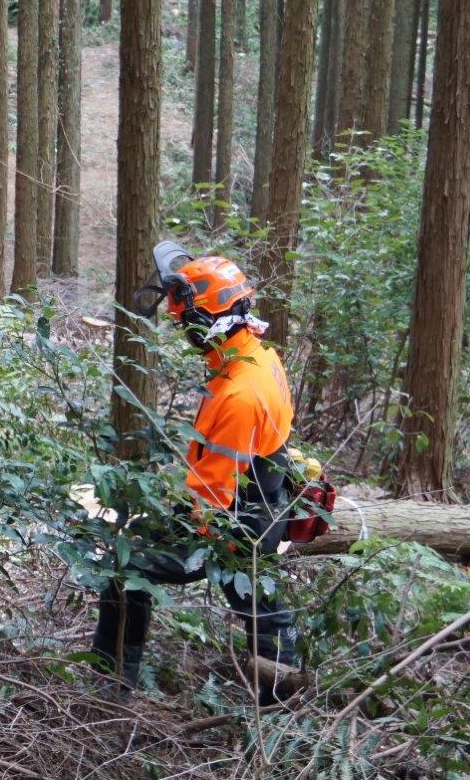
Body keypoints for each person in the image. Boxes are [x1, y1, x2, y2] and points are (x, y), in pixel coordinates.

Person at [94, 245, 300, 698]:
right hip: (265, 503)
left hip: (234, 523)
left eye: (185, 319)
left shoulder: (239, 394)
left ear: (208, 318)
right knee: (262, 607)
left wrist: (165, 525)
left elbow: (211, 498)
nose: (180, 326)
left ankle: (111, 684)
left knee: (127, 567)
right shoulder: (257, 355)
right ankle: (285, 699)